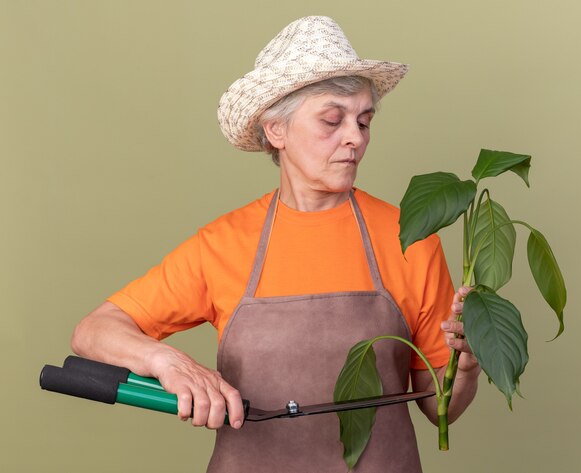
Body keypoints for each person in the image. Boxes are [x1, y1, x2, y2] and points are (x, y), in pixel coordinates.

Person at [71, 15, 480, 472]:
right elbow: (93, 332)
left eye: (363, 121)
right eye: (332, 120)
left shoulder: (409, 240)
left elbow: (442, 407)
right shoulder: (223, 245)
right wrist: (168, 361)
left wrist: (465, 371)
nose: (354, 138)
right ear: (276, 131)